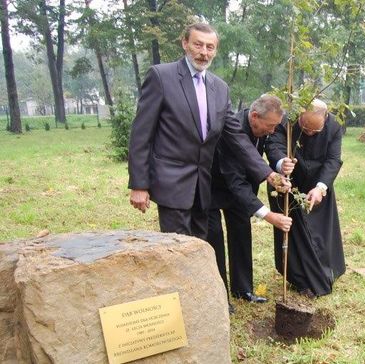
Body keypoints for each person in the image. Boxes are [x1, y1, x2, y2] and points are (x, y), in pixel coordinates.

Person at [128, 23, 289, 240]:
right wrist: (139, 184)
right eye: (198, 45)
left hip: (203, 188)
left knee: (199, 249)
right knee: (177, 250)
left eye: (210, 47)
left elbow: (237, 138)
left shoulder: (220, 88)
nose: (204, 53)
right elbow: (141, 134)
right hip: (172, 185)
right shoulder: (161, 77)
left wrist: (268, 173)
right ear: (185, 43)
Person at [208, 95, 295, 305]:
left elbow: (269, 148)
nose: (273, 131)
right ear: (254, 116)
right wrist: (267, 215)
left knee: (241, 234)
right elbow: (234, 180)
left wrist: (278, 168)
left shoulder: (263, 125)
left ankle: (243, 290)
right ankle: (220, 298)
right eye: (270, 126)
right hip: (212, 187)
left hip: (242, 191)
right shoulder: (231, 130)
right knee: (214, 241)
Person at [265, 99, 346, 297]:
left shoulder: (334, 127)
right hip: (287, 183)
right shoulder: (285, 120)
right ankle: (298, 277)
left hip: (318, 184)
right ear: (299, 116)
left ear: (325, 119)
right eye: (305, 128)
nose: (308, 134)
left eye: (314, 132)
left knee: (321, 233)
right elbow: (273, 145)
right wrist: (281, 162)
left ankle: (327, 271)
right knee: (293, 234)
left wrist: (320, 188)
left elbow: (333, 159)